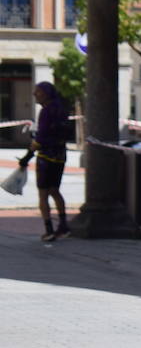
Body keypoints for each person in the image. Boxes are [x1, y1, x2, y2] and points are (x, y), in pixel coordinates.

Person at [19, 82, 71, 242]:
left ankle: (49, 230)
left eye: (38, 92)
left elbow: (40, 138)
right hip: (60, 155)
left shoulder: (46, 111)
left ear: (46, 94)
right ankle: (63, 225)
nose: (35, 95)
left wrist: (27, 157)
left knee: (43, 194)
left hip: (46, 158)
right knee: (55, 190)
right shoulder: (61, 109)